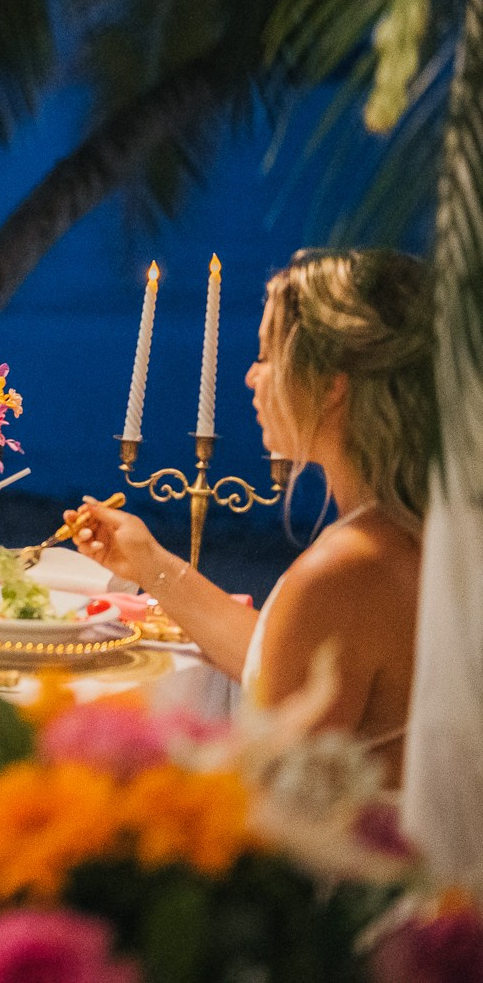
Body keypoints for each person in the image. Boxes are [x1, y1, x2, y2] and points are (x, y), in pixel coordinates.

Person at [71, 248, 433, 780]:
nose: (250, 377)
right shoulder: (405, 533)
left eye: (266, 357)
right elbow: (277, 658)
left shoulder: (342, 572)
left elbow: (267, 807)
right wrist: (150, 562)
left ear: (332, 384)